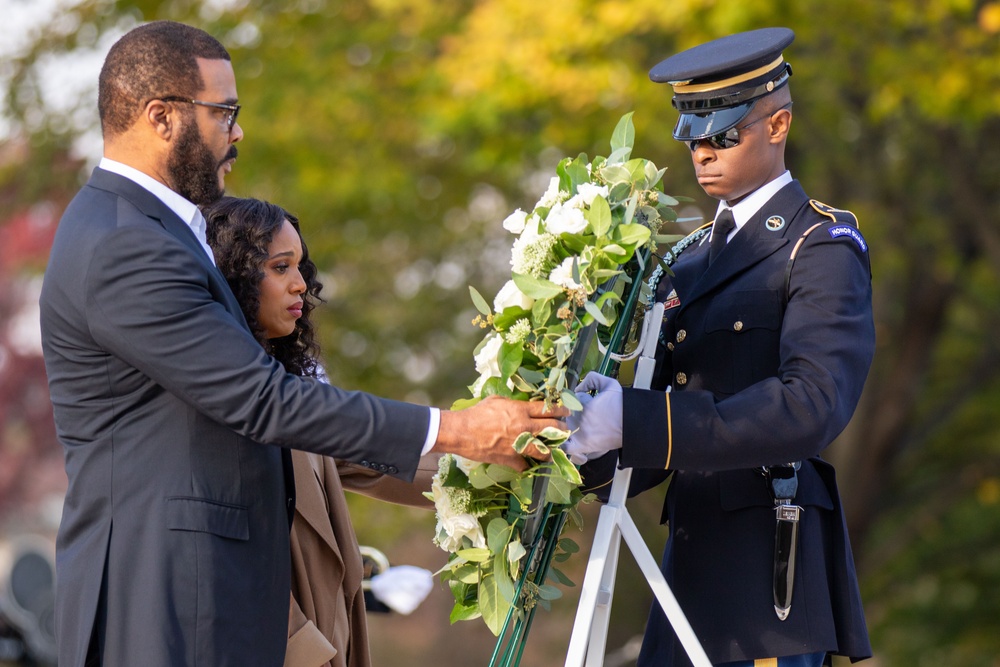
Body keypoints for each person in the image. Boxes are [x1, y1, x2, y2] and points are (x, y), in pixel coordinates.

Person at [38, 21, 565, 667]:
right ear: (161, 116)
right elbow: (261, 400)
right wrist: (458, 429)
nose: (236, 132)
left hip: (198, 595)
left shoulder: (152, 231)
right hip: (165, 599)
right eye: (224, 111)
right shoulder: (126, 241)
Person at [565, 28, 874, 666]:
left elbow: (812, 405)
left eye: (723, 135)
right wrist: (572, 443)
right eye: (694, 138)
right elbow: (662, 422)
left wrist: (635, 419)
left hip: (765, 581)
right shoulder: (690, 257)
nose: (703, 153)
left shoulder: (819, 245)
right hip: (687, 568)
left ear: (778, 123)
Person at [203, 195, 436, 667]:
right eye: (280, 267)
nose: (300, 285)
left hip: (331, 640)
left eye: (301, 267)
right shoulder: (216, 400)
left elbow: (384, 457)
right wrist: (303, 647)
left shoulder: (293, 388)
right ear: (235, 277)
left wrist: (511, 458)